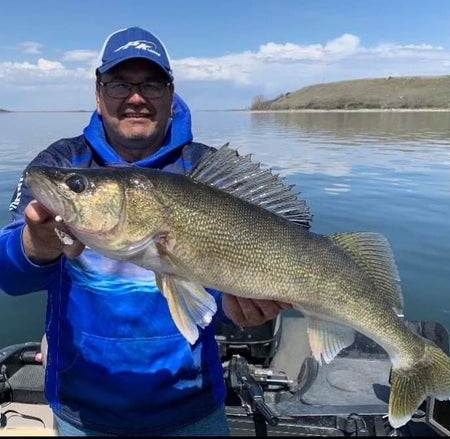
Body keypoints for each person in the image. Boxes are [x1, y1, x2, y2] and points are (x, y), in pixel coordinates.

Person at [0, 27, 290, 436]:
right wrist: (35, 244)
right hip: (83, 410)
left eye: (151, 84)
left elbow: (221, 289)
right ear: (98, 95)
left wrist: (235, 307)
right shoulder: (63, 163)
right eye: (119, 83)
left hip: (193, 408)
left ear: (171, 95)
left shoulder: (207, 173)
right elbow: (7, 275)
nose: (136, 98)